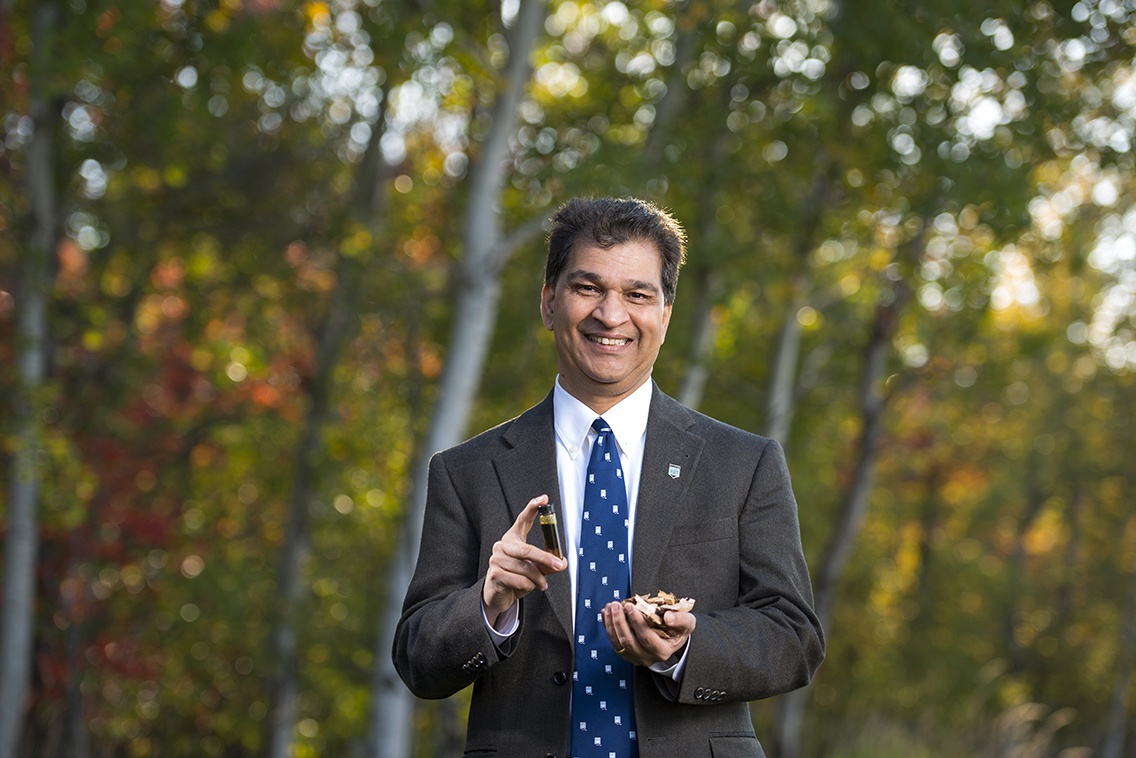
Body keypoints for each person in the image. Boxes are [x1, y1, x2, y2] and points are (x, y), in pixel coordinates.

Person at [394, 197, 824, 758]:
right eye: (588, 288)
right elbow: (417, 660)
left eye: (637, 294)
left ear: (664, 316)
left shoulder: (743, 464)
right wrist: (488, 604)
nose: (611, 314)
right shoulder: (466, 471)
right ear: (549, 303)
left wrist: (684, 650)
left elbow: (795, 637)